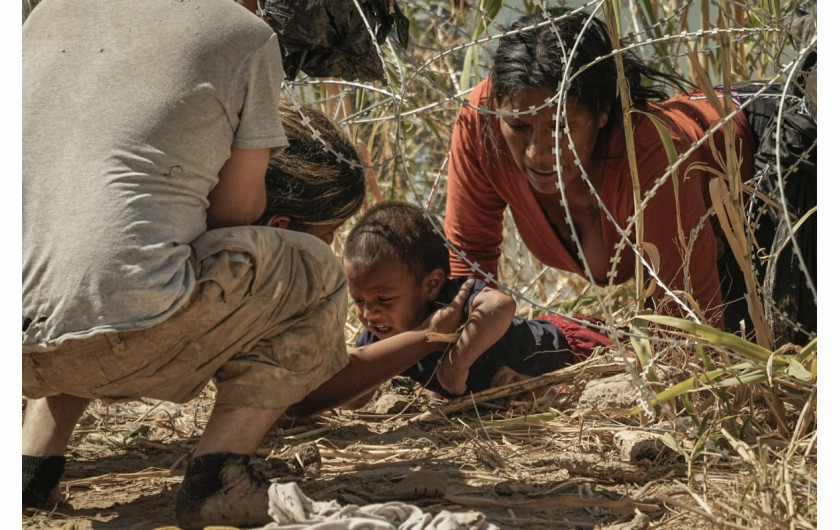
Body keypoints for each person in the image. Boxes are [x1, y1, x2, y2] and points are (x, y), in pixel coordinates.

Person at [21, 3, 467, 528]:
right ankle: (220, 477)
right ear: (277, 224)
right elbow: (235, 214)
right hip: (116, 333)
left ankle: (31, 469)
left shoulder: (49, 12)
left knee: (92, 262)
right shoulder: (242, 33)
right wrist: (430, 338)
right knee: (311, 268)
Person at [443, 7, 816, 346]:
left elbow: (691, 332)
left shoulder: (650, 157)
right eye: (519, 126)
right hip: (702, 182)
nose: (538, 152)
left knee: (781, 337)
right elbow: (469, 262)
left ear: (603, 113)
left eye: (560, 126)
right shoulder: (482, 122)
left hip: (781, 153)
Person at [287, 201, 613, 416]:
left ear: (431, 284)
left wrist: (455, 365)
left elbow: (501, 305)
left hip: (573, 348)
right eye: (359, 301)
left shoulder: (454, 299)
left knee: (646, 351)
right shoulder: (377, 337)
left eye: (383, 300)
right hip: (528, 387)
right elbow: (356, 393)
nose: (369, 314)